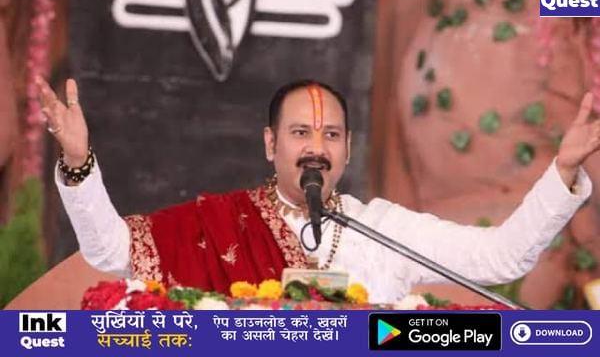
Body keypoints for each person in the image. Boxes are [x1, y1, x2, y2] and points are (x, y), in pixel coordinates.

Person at [38, 77, 599, 304]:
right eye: (300, 133)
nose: (316, 147)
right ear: (270, 144)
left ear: (348, 149)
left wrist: (563, 171)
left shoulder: (381, 229)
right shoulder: (221, 225)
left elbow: (501, 257)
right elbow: (110, 252)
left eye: (330, 135)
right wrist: (78, 161)